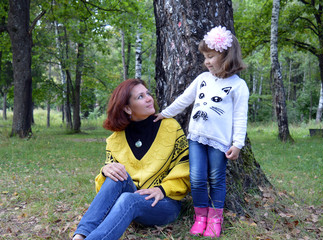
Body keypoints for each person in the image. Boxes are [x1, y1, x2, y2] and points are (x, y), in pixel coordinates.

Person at [154, 26, 249, 238]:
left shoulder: (238, 86)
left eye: (211, 56)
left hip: (219, 141)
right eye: (205, 57)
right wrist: (165, 113)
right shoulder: (202, 79)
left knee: (216, 179)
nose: (206, 61)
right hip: (196, 137)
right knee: (196, 178)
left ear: (226, 55)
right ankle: (200, 217)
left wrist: (238, 144)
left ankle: (215, 219)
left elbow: (240, 117)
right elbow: (184, 99)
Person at [72, 79, 190, 240]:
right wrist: (105, 171)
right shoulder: (115, 140)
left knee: (129, 199)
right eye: (140, 97)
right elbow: (107, 192)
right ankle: (79, 236)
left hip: (165, 204)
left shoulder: (170, 127)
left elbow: (185, 168)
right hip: (132, 199)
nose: (149, 98)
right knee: (117, 177)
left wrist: (162, 189)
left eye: (148, 94)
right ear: (127, 108)